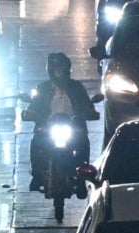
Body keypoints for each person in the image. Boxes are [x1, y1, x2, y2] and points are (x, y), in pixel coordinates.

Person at [23, 52, 98, 192]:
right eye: (58, 68)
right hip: (47, 128)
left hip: (73, 127)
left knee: (83, 142)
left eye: (64, 68)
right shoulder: (43, 88)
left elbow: (87, 105)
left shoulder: (77, 87)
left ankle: (82, 175)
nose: (62, 72)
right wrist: (30, 114)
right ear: (51, 70)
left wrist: (90, 112)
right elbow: (33, 106)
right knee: (36, 142)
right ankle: (36, 175)